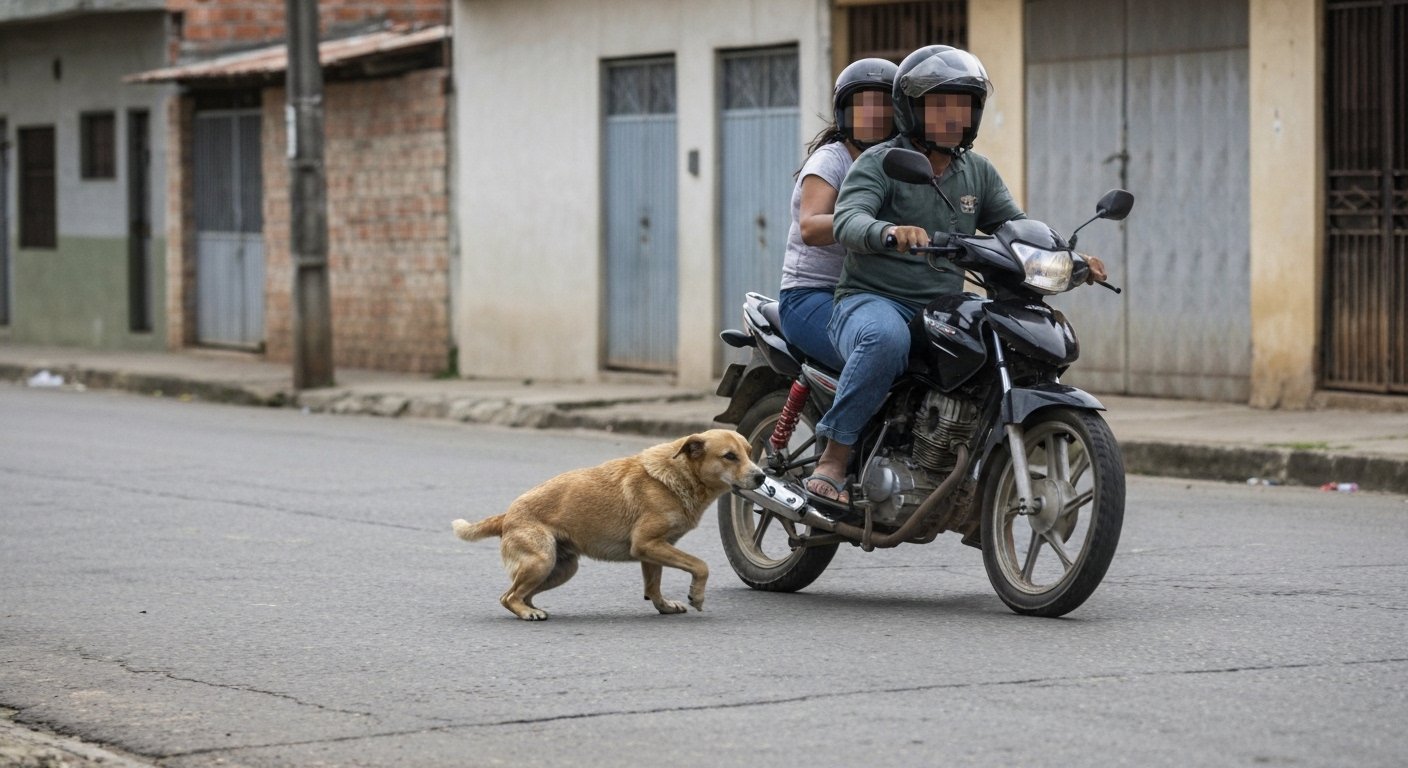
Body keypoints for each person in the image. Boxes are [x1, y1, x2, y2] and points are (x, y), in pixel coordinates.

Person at [804, 45, 1107, 506]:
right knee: (885, 339)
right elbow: (847, 220)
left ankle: (971, 475)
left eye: (963, 105)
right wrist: (888, 231)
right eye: (940, 104)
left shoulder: (977, 172)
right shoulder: (882, 161)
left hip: (938, 304)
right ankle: (834, 457)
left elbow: (1014, 227)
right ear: (912, 109)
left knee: (996, 344)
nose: (953, 116)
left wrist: (1070, 256)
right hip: (871, 299)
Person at [778, 57, 898, 372]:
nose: (874, 114)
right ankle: (839, 424)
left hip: (874, 296)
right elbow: (810, 226)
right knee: (876, 355)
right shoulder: (832, 160)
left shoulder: (898, 162)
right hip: (813, 295)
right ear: (845, 112)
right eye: (864, 105)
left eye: (884, 104)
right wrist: (878, 228)